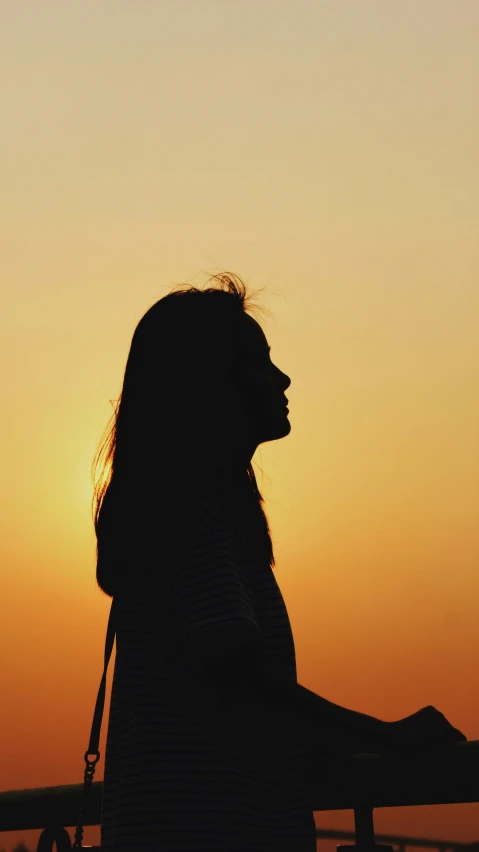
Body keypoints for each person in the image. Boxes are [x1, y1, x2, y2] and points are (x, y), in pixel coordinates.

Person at [93, 272, 466, 851]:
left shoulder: (173, 511)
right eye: (261, 362)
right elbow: (241, 694)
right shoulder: (194, 512)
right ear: (211, 386)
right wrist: (389, 738)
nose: (282, 378)